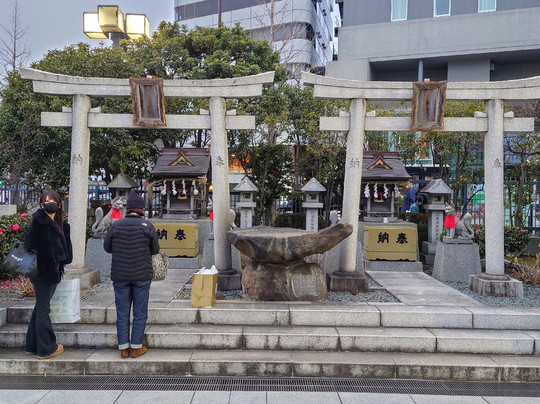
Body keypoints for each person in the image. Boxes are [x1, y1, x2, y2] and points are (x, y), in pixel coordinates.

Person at [104, 189, 159, 359]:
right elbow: (155, 250)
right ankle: (136, 347)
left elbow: (107, 248)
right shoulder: (147, 226)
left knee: (122, 312)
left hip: (120, 275)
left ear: (127, 209)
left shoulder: (116, 225)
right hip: (141, 275)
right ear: (141, 209)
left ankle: (123, 348)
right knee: (140, 312)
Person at [25, 190, 72, 360]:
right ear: (41, 204)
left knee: (40, 307)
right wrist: (51, 270)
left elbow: (65, 251)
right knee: (44, 309)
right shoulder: (39, 223)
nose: (50, 203)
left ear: (59, 204)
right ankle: (46, 348)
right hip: (42, 273)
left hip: (52, 271)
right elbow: (34, 247)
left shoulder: (60, 224)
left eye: (53, 200)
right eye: (47, 200)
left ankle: (32, 345)